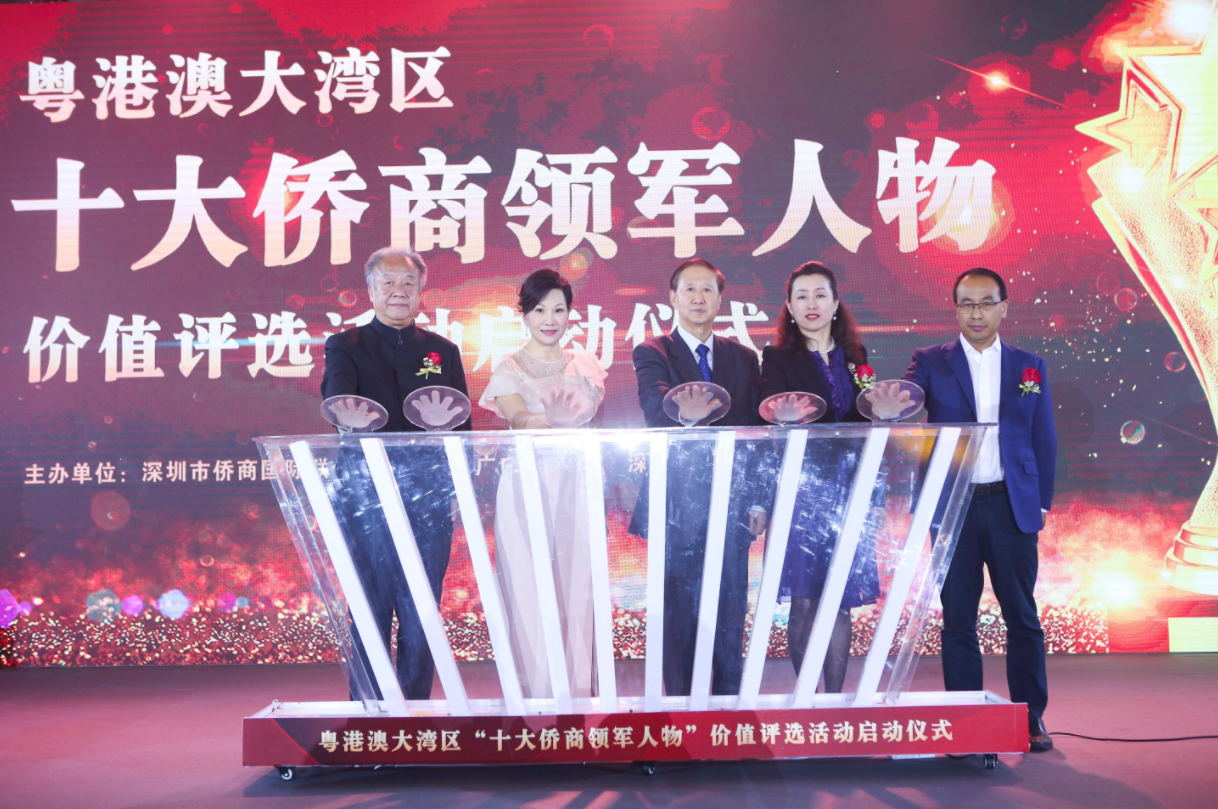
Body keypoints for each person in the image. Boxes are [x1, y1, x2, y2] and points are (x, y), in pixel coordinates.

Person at [901, 267, 1057, 753]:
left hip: (1011, 504)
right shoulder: (930, 360)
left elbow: (1044, 437)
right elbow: (906, 399)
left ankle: (1030, 719)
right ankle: (965, 721)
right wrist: (885, 398)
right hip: (955, 507)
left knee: (1022, 616)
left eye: (986, 303)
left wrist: (1042, 501)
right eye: (967, 303)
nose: (977, 312)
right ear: (956, 309)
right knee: (958, 618)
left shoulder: (1030, 366)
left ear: (1003, 307)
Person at [320, 246, 470, 701]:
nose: (398, 291)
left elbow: (462, 427)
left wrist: (449, 442)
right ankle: (368, 707)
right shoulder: (345, 345)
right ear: (370, 291)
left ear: (421, 292)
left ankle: (415, 708)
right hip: (365, 495)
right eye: (387, 283)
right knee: (370, 601)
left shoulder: (442, 351)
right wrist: (349, 418)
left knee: (421, 604)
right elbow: (338, 400)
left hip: (427, 496)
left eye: (408, 283)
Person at [628, 257, 770, 697]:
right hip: (676, 507)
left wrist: (758, 499)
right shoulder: (653, 351)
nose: (698, 297)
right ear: (672, 298)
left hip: (733, 505)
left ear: (720, 299)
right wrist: (684, 414)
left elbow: (755, 433)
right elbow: (655, 410)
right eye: (688, 289)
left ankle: (728, 713)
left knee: (730, 613)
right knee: (679, 617)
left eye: (707, 289)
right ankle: (679, 714)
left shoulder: (743, 358)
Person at [478, 268, 607, 699]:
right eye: (539, 310)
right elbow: (516, 417)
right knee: (527, 583)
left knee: (578, 584)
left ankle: (579, 695)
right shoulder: (509, 366)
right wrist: (548, 420)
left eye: (558, 310)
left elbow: (590, 413)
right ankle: (535, 699)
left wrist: (564, 420)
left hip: (577, 480)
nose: (549, 319)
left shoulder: (584, 364)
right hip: (526, 481)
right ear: (525, 315)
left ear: (570, 313)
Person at [759, 261, 881, 693]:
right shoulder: (777, 358)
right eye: (802, 296)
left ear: (835, 303)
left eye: (820, 295)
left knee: (840, 602)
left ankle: (834, 702)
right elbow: (768, 413)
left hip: (850, 490)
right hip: (802, 492)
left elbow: (867, 410)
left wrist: (883, 411)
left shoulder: (855, 356)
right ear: (790, 307)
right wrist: (783, 417)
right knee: (806, 601)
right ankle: (807, 701)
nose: (811, 303)